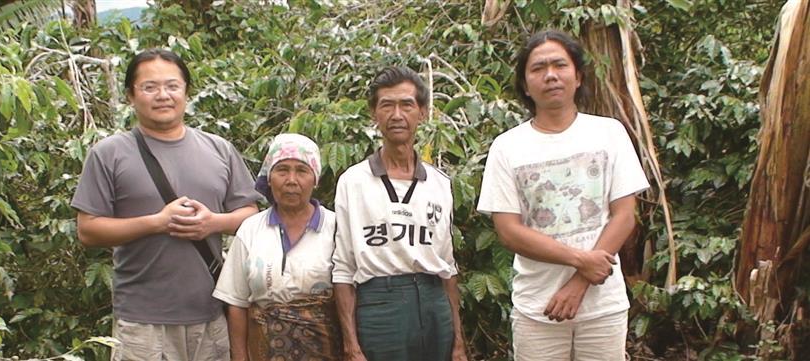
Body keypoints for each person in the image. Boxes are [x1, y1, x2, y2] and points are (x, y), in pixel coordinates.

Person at [72, 48, 261, 361]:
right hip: (143, 324)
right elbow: (88, 231)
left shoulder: (219, 149)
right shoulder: (108, 154)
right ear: (131, 95)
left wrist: (213, 222)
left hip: (211, 315)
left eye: (172, 86)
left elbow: (249, 215)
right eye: (149, 87)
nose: (163, 95)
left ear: (186, 92)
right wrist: (157, 222)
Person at [476, 30, 650, 360]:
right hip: (536, 307)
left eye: (560, 65)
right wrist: (580, 260)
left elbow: (625, 214)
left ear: (578, 75)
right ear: (525, 85)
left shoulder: (608, 133)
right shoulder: (507, 147)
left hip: (603, 307)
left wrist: (579, 281)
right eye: (538, 68)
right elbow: (509, 231)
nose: (551, 75)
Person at [331, 66, 467, 361]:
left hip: (434, 305)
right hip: (380, 306)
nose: (397, 115)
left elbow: (447, 266)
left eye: (407, 104)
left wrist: (458, 342)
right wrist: (351, 346)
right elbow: (343, 268)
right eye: (387, 105)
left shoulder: (440, 183)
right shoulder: (353, 182)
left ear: (422, 112)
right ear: (373, 113)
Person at [213, 133, 342, 361]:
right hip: (263, 349)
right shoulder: (251, 229)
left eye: (302, 171)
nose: (291, 180)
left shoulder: (336, 228)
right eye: (282, 170)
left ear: (315, 179)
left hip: (325, 351)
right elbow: (236, 303)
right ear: (269, 178)